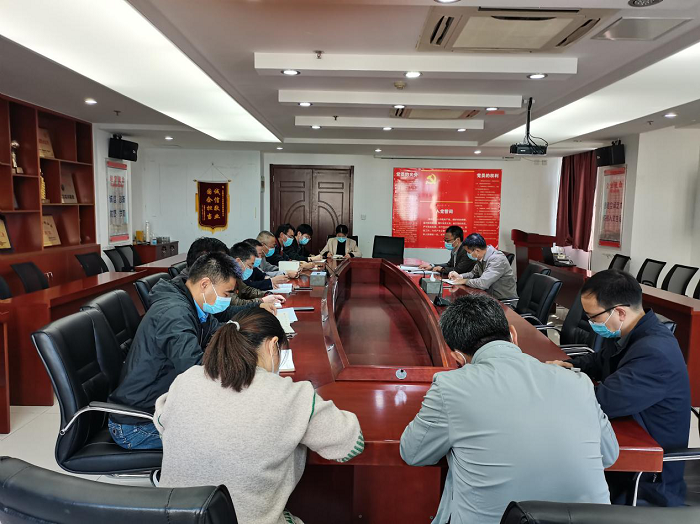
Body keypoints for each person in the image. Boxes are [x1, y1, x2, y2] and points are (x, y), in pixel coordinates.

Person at [400, 294, 618, 524]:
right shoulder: (579, 382)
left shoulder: (451, 387)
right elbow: (609, 455)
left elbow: (413, 453)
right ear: (513, 335)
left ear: (458, 357)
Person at [155, 308, 364, 524]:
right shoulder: (290, 395)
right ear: (272, 345)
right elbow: (350, 445)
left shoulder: (186, 379)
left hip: (173, 518)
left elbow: (161, 422)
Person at [548, 269, 691, 507]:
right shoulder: (631, 333)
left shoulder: (655, 352)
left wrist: (552, 388)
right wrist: (569, 366)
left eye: (593, 317)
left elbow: (602, 401)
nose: (591, 323)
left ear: (620, 312)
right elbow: (599, 360)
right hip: (626, 444)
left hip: (646, 479)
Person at [108, 252, 240, 450]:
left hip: (163, 405)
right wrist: (242, 365)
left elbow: (216, 330)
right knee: (225, 438)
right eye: (226, 294)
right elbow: (195, 370)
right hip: (137, 424)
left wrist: (246, 335)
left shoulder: (193, 305)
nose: (228, 299)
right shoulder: (174, 313)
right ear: (205, 284)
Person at [173, 236, 281, 316]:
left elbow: (222, 317)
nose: (228, 265)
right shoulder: (177, 310)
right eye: (222, 262)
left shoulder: (201, 299)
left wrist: (258, 305)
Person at [447, 233, 517, 300]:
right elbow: (473, 274)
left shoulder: (497, 259)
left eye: (468, 252)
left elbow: (483, 283)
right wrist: (460, 276)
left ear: (477, 251)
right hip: (488, 297)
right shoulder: (481, 257)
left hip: (502, 301)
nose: (468, 254)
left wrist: (464, 281)